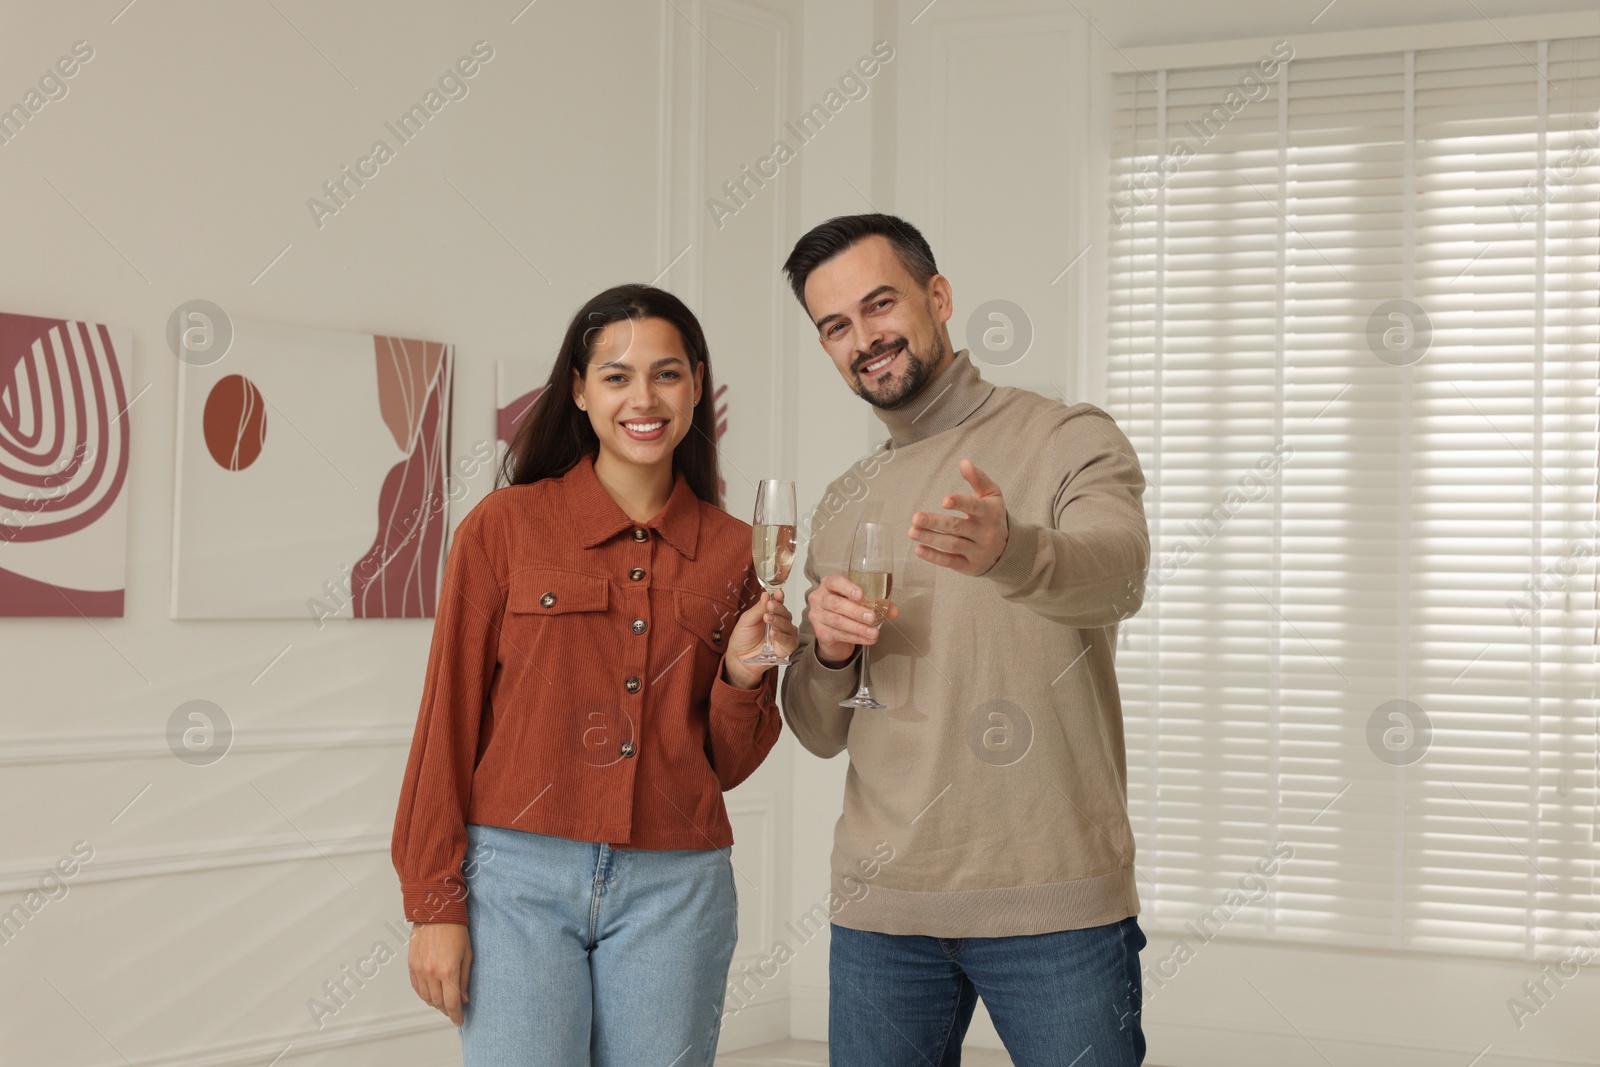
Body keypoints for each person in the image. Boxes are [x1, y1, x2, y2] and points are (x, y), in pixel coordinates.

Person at [778, 214, 1152, 1066]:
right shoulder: (844, 498)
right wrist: (828, 654)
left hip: (1054, 902)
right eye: (835, 326)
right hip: (883, 912)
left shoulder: (1067, 438)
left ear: (937, 298)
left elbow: (1119, 575)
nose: (863, 339)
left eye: (880, 306)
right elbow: (817, 726)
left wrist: (1011, 550)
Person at [391, 283, 796, 1066]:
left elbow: (727, 765)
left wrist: (744, 676)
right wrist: (433, 902)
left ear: (697, 384)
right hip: (514, 880)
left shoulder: (737, 550)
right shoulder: (504, 529)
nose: (642, 397)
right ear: (579, 390)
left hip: (679, 887)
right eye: (615, 375)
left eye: (667, 374)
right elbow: (445, 722)